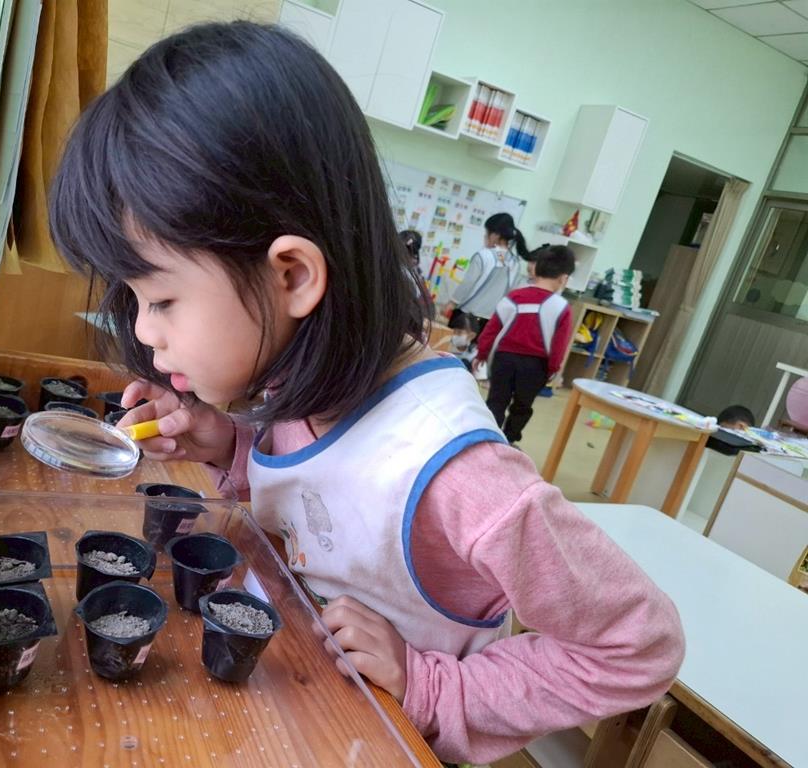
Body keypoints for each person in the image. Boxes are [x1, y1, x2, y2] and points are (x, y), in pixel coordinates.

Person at [49, 22, 683, 766]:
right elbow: (326, 499)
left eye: (160, 299)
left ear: (292, 276)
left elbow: (638, 647)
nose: (143, 331)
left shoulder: (460, 477)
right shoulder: (298, 379)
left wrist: (431, 686)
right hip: (296, 697)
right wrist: (228, 444)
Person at [473, 246, 575, 445]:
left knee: (496, 400)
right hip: (535, 366)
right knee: (523, 406)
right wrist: (553, 369)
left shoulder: (513, 296)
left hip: (503, 360)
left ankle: (487, 440)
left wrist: (482, 354)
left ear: (536, 269)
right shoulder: (562, 307)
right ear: (564, 278)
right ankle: (509, 440)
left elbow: (492, 329)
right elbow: (559, 345)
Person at [442, 213, 530, 335]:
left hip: (467, 316)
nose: (485, 237)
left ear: (495, 235)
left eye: (487, 233)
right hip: (491, 321)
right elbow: (511, 292)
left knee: (452, 345)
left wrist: (452, 302)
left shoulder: (483, 255)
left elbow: (468, 282)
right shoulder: (515, 262)